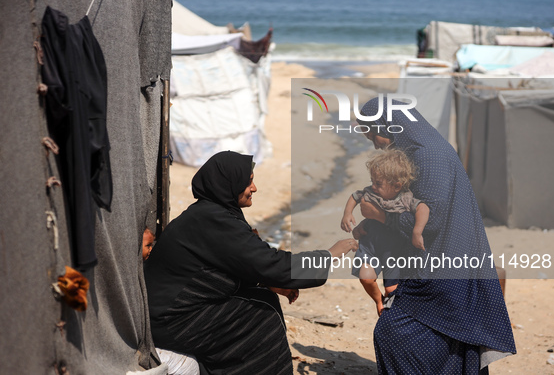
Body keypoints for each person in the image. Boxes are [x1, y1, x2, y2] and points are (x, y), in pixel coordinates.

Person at [144, 151, 357, 375]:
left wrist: (268, 283)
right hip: (171, 321)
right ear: (229, 184)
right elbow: (270, 263)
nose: (254, 188)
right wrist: (329, 255)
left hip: (174, 314)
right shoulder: (212, 221)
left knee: (263, 299)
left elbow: (242, 263)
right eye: (248, 182)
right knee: (263, 317)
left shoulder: (212, 214)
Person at [354, 97, 516, 374]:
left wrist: (378, 215)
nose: (374, 143)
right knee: (448, 341)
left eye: (372, 134)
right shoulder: (422, 151)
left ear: (388, 125)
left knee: (392, 333)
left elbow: (431, 222)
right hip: (442, 263)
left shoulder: (427, 155)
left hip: (445, 267)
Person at [340, 149, 429, 316]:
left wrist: (417, 231)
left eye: (378, 183)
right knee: (366, 277)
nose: (373, 186)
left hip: (393, 251)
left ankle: (388, 310)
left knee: (391, 288)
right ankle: (378, 300)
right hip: (370, 245)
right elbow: (355, 196)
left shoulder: (405, 198)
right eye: (372, 181)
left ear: (397, 186)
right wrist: (347, 214)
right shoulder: (371, 192)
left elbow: (422, 208)